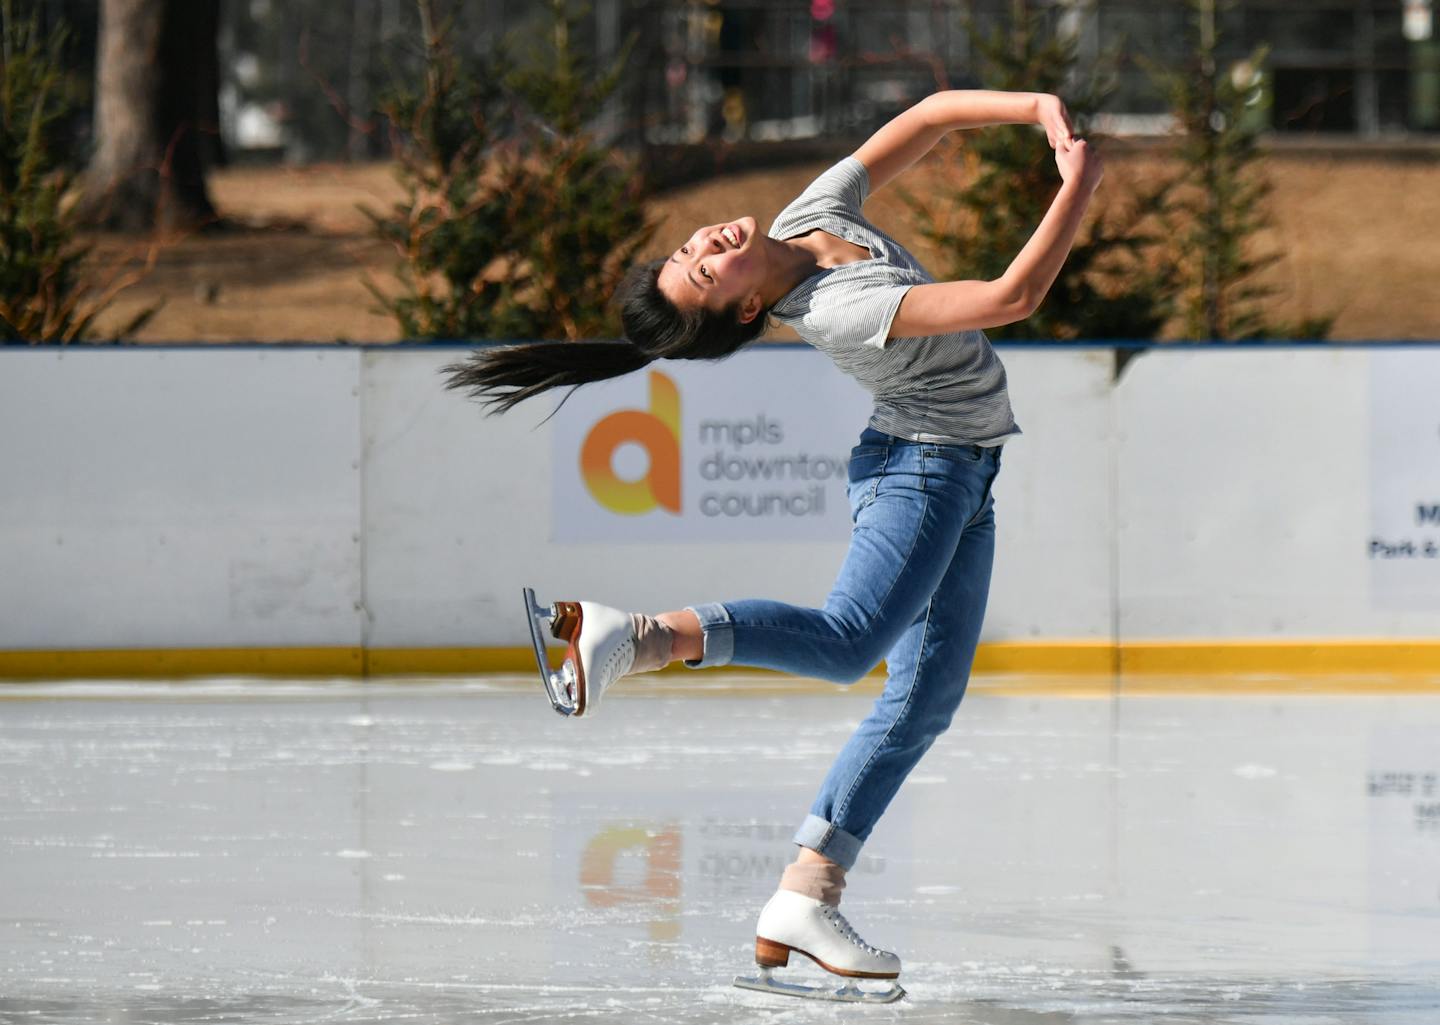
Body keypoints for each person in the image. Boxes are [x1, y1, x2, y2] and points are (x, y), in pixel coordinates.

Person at [445, 89, 1102, 1000]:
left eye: (692, 250)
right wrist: (1078, 185)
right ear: (751, 309)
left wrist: (1034, 108)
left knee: (922, 702)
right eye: (707, 273)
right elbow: (1011, 296)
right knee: (847, 645)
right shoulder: (834, 308)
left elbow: (929, 118)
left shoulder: (812, 215)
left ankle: (805, 896)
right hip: (923, 468)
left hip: (963, 473)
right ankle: (630, 634)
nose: (707, 243)